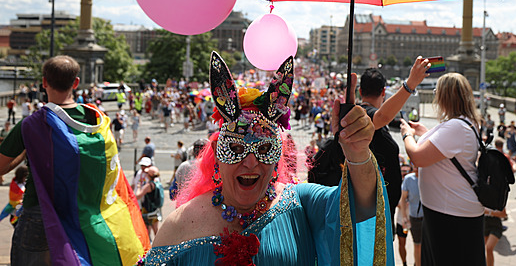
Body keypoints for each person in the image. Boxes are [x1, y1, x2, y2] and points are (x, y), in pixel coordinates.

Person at [142, 52, 394, 265]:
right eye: (237, 149)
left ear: (277, 158)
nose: (251, 163)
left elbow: (360, 207)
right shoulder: (177, 226)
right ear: (217, 157)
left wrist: (357, 153)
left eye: (263, 150)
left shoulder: (302, 203)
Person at [0, 55, 149, 265]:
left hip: (40, 215)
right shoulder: (98, 119)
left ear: (44, 83)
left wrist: (26, 152)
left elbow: (1, 166)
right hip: (87, 217)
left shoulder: (32, 125)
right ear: (76, 83)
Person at [309, 57, 429, 230]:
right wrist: (410, 84)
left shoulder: (351, 117)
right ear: (383, 92)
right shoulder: (364, 120)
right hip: (368, 217)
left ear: (360, 91)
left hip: (357, 211)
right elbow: (380, 118)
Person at [400, 72, 486, 265]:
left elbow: (418, 157)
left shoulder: (456, 128)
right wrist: (423, 132)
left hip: (452, 215)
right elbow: (442, 146)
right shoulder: (464, 123)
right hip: (448, 211)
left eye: (437, 91)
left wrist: (407, 135)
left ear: (445, 96)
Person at [400, 162, 423, 266]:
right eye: (415, 166)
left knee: (427, 246)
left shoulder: (428, 178)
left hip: (428, 217)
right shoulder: (409, 179)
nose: (417, 168)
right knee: (417, 245)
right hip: (415, 217)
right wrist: (404, 217)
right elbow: (403, 199)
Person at [136, 166, 163, 242]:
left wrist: (138, 187)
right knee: (156, 231)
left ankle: (149, 247)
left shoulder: (149, 185)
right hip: (155, 210)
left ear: (149, 175)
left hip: (148, 211)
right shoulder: (158, 183)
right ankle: (160, 245)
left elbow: (138, 196)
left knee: (147, 231)